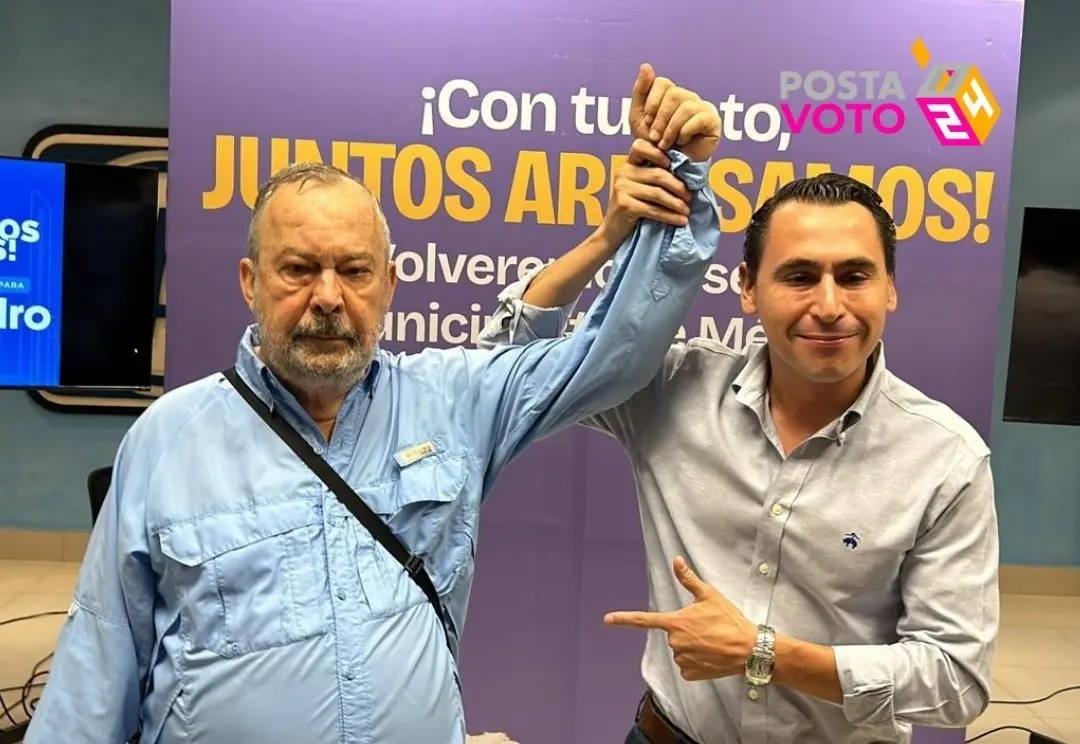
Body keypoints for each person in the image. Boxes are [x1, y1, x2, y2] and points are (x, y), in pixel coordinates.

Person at [24, 67, 723, 744]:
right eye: (298, 268)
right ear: (250, 283)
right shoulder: (167, 437)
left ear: (388, 284)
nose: (328, 297)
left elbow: (613, 357)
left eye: (354, 271)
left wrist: (677, 184)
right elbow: (100, 659)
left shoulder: (453, 401)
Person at [477, 136, 1000, 743]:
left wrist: (765, 653)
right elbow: (506, 367)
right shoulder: (672, 388)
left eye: (854, 276)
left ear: (889, 287)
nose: (829, 306)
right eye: (799, 276)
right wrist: (609, 236)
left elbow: (958, 679)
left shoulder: (945, 460)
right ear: (748, 288)